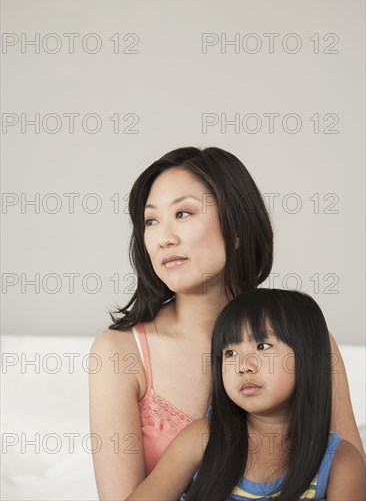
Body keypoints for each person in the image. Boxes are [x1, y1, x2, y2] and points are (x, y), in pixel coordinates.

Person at [89, 147, 363, 500]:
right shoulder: (119, 353)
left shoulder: (308, 338)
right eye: (150, 221)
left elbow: (351, 470)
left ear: (236, 228)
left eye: (183, 213)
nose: (163, 237)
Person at [126, 289, 366, 501]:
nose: (243, 365)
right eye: (230, 352)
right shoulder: (203, 438)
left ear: (308, 357)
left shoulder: (340, 461)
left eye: (262, 346)